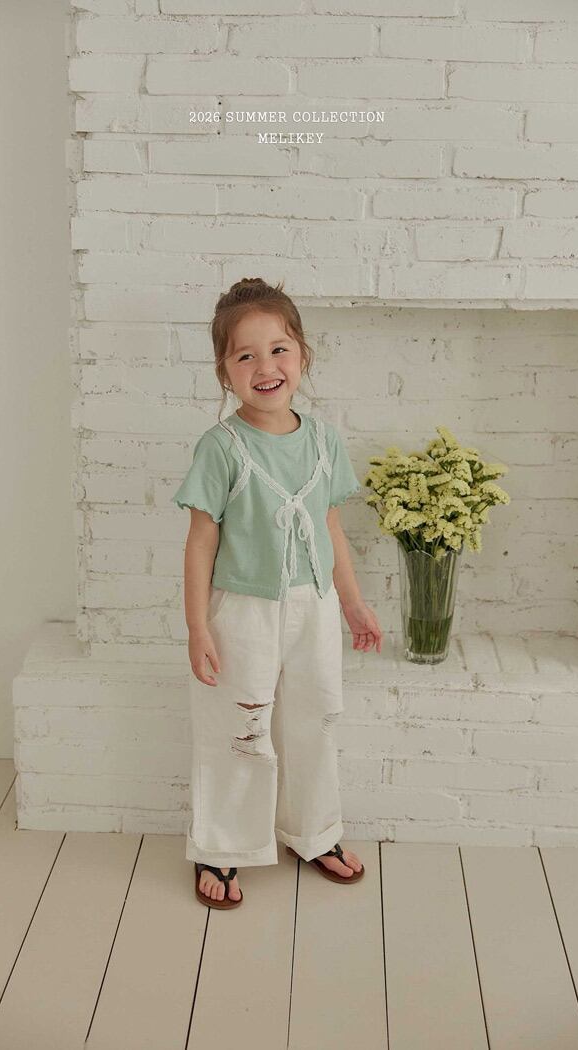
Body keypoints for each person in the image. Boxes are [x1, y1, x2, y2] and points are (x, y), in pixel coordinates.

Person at [171, 277, 382, 910]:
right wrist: (198, 627)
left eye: (279, 349)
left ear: (302, 355)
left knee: (315, 720)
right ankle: (223, 845)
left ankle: (313, 832)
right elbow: (200, 542)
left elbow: (331, 528)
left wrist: (352, 602)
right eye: (246, 355)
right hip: (243, 611)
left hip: (314, 606)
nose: (266, 367)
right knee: (241, 728)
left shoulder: (324, 440)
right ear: (224, 371)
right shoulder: (221, 447)